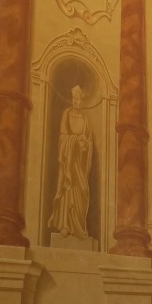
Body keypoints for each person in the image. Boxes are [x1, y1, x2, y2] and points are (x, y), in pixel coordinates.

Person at [48, 85, 95, 238]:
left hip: (80, 161)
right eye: (74, 98)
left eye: (78, 99)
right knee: (67, 187)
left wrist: (85, 143)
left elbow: (89, 140)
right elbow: (63, 137)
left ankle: (78, 225)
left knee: (82, 190)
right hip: (68, 159)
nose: (76, 101)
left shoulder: (86, 119)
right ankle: (65, 224)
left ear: (82, 101)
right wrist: (75, 141)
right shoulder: (66, 114)